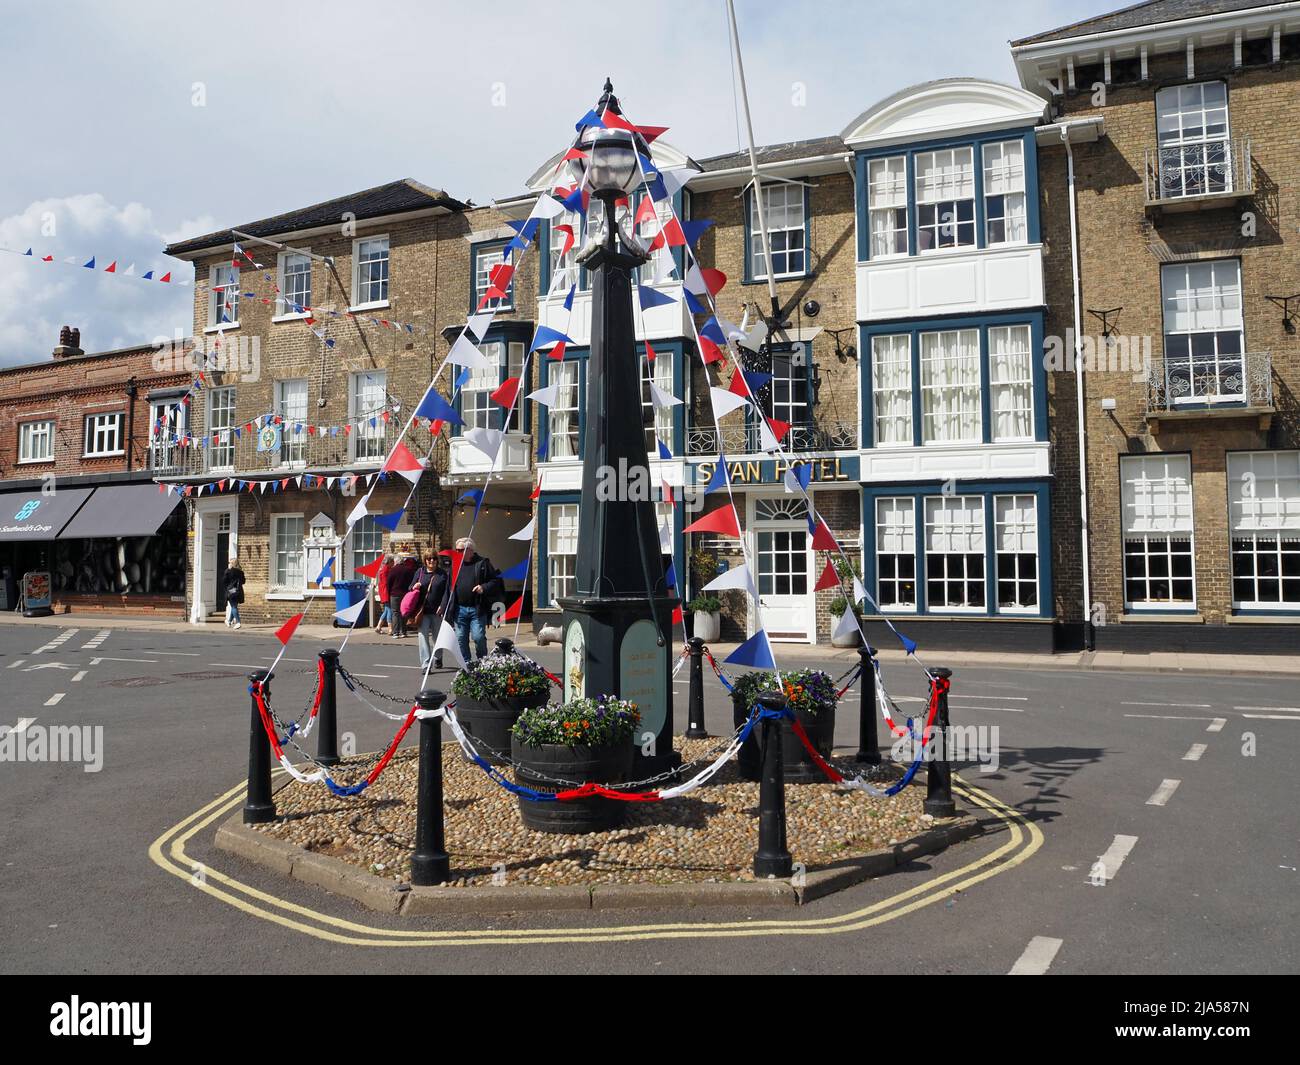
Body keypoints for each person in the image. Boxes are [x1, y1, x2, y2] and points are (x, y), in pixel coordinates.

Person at [450, 536, 503, 663]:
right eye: (456, 550)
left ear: (469, 550)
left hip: (477, 608)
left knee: (478, 637)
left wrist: (483, 587)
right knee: (460, 637)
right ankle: (466, 663)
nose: (457, 553)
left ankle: (482, 661)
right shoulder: (455, 564)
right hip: (460, 608)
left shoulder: (483, 563)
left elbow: (495, 581)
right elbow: (448, 585)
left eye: (460, 550)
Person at [412, 550, 448, 672]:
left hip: (437, 611)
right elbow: (410, 587)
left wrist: (442, 606)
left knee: (437, 637)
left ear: (437, 560)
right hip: (422, 611)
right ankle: (426, 664)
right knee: (423, 637)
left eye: (434, 558)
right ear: (425, 560)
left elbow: (446, 593)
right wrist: (414, 586)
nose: (431, 561)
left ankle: (438, 657)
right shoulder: (420, 572)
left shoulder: (443, 574)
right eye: (428, 559)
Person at [387, 551, 418, 639]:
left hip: (394, 594)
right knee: (404, 613)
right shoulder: (408, 570)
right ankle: (403, 631)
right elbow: (412, 581)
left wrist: (389, 593)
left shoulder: (393, 570)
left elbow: (388, 583)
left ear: (396, 561)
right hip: (405, 594)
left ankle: (396, 632)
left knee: (395, 613)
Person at [223, 557, 246, 629]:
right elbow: (243, 582)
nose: (229, 564)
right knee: (234, 606)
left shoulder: (229, 571)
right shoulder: (241, 572)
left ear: (232, 564)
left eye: (230, 562)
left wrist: (227, 570)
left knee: (233, 607)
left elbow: (224, 581)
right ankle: (229, 621)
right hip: (238, 591)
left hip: (231, 591)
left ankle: (238, 622)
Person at [373, 554, 393, 634]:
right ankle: (390, 628)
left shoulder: (383, 569)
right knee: (389, 610)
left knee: (386, 610)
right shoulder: (386, 570)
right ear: (389, 562)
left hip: (383, 592)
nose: (393, 563)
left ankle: (378, 627)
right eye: (392, 562)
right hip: (386, 593)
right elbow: (386, 583)